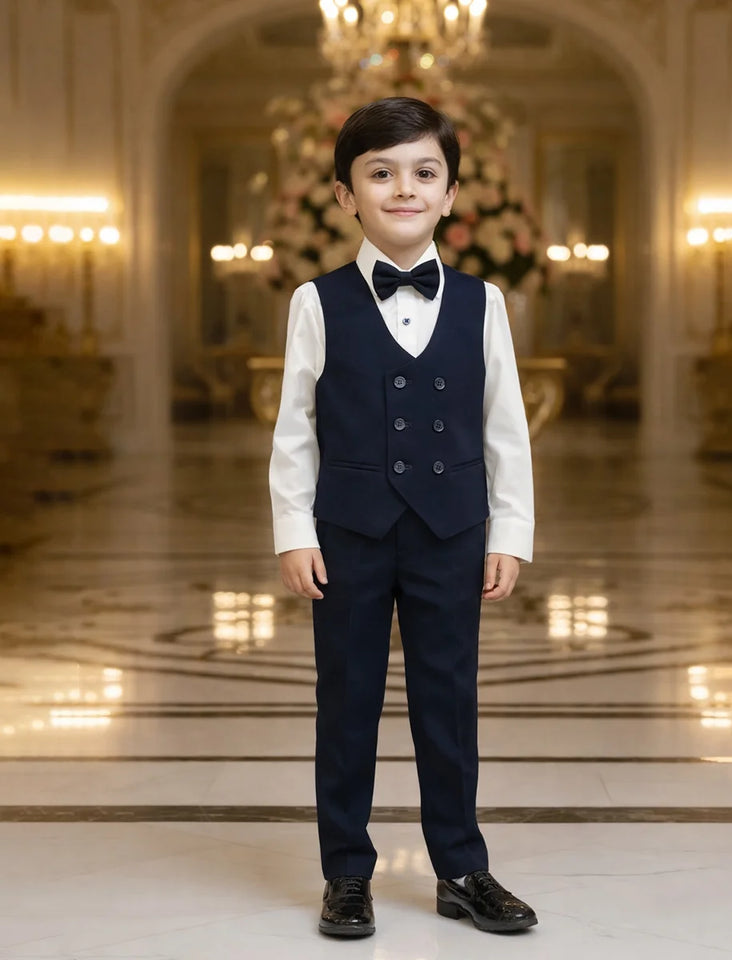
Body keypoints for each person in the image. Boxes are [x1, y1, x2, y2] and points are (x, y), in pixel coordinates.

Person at [269, 96, 537, 938]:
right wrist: (293, 531)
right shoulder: (316, 303)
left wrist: (510, 532)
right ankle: (347, 872)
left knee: (448, 700)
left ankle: (462, 865)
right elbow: (293, 431)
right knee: (345, 701)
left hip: (452, 531)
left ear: (452, 193)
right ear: (346, 196)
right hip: (347, 532)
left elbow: (507, 428)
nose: (404, 189)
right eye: (380, 174)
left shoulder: (484, 302)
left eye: (424, 173)